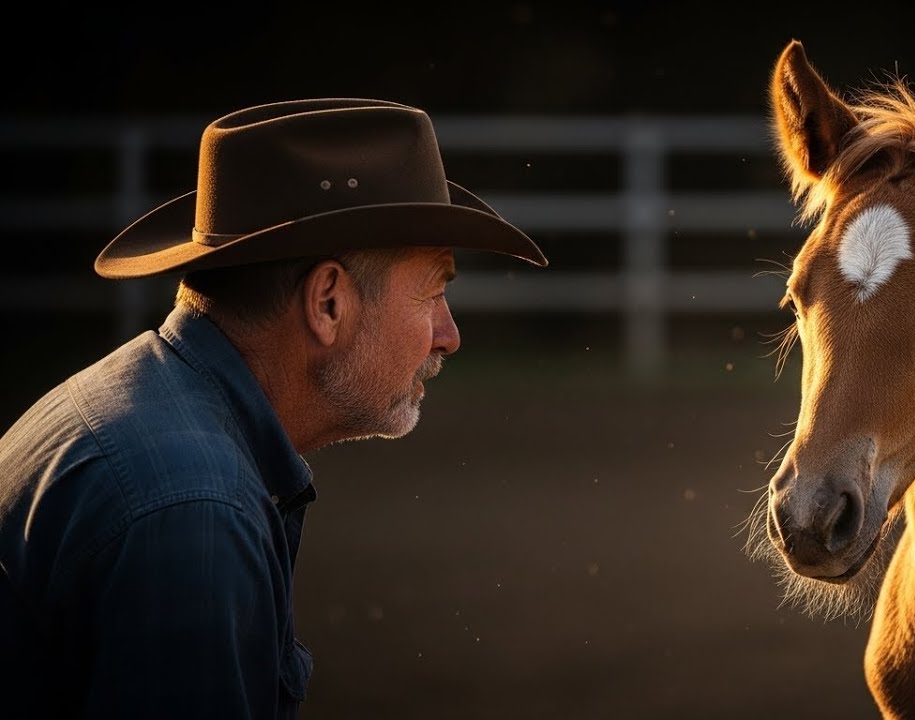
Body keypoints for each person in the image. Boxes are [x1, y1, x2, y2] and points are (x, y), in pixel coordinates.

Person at [0, 98, 548, 719]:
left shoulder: (138, 411)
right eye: (432, 292)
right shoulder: (195, 510)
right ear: (328, 303)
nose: (448, 336)